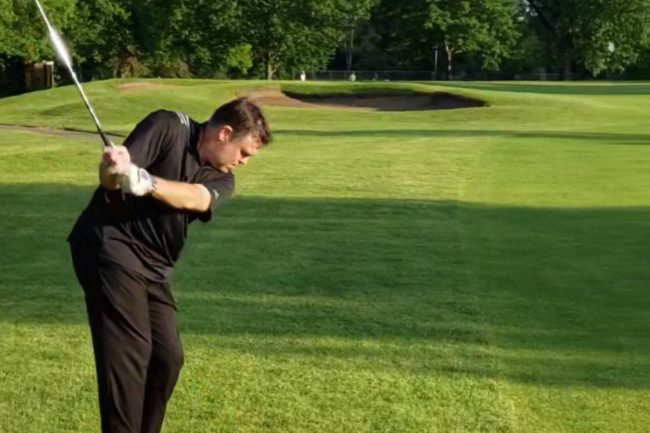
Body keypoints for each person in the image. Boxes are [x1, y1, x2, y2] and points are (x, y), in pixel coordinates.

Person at [67, 98, 271, 433]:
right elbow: (109, 181)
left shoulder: (222, 179)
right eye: (243, 153)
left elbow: (196, 198)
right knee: (130, 354)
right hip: (110, 247)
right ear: (225, 133)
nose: (243, 162)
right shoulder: (168, 126)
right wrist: (114, 167)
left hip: (154, 266)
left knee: (167, 357)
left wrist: (147, 182)